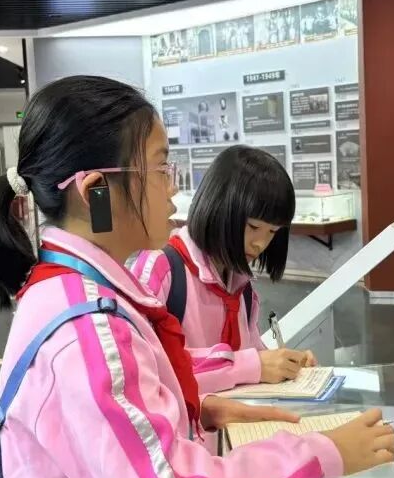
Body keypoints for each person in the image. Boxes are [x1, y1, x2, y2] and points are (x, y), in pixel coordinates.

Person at [0, 76, 394, 478]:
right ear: (96, 192)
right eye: (159, 166)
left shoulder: (77, 296)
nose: (173, 189)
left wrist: (198, 408)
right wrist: (325, 455)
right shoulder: (89, 329)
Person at [130, 146, 314, 394]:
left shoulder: (242, 286)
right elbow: (147, 368)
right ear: (219, 208)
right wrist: (250, 366)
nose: (260, 243)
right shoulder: (161, 269)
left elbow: (252, 358)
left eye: (272, 232)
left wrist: (286, 365)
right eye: (253, 227)